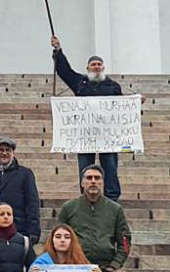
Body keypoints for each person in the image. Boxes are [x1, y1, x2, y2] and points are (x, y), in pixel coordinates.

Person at [51, 36, 126, 198]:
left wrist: (137, 101)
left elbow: (123, 107)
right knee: (85, 167)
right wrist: (58, 51)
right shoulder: (80, 82)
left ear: (103, 68)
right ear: (88, 68)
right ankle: (85, 196)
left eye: (99, 65)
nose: (96, 67)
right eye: (93, 65)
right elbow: (64, 71)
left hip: (107, 135)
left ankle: (112, 197)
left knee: (110, 167)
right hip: (85, 135)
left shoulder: (113, 86)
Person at [56, 167, 131, 272]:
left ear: (103, 183)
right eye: (89, 178)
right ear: (82, 183)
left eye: (97, 178)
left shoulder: (115, 209)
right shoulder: (69, 208)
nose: (93, 181)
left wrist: (114, 266)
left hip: (106, 268)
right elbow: (57, 238)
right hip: (76, 267)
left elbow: (125, 241)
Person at [0, 138, 41, 241]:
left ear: (13, 153)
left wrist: (34, 231)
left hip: (19, 229)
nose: (4, 153)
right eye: (1, 150)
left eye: (8, 150)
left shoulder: (25, 174)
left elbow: (32, 203)